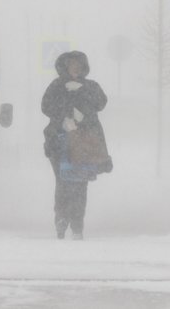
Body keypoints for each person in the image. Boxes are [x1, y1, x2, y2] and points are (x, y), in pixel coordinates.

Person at [41, 51, 110, 240]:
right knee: (63, 181)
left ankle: (77, 224)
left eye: (78, 65)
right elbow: (46, 106)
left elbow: (101, 103)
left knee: (80, 184)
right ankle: (61, 219)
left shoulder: (91, 86)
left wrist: (82, 97)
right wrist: (65, 115)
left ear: (84, 67)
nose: (75, 68)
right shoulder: (56, 86)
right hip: (59, 142)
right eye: (71, 65)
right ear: (64, 67)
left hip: (84, 143)